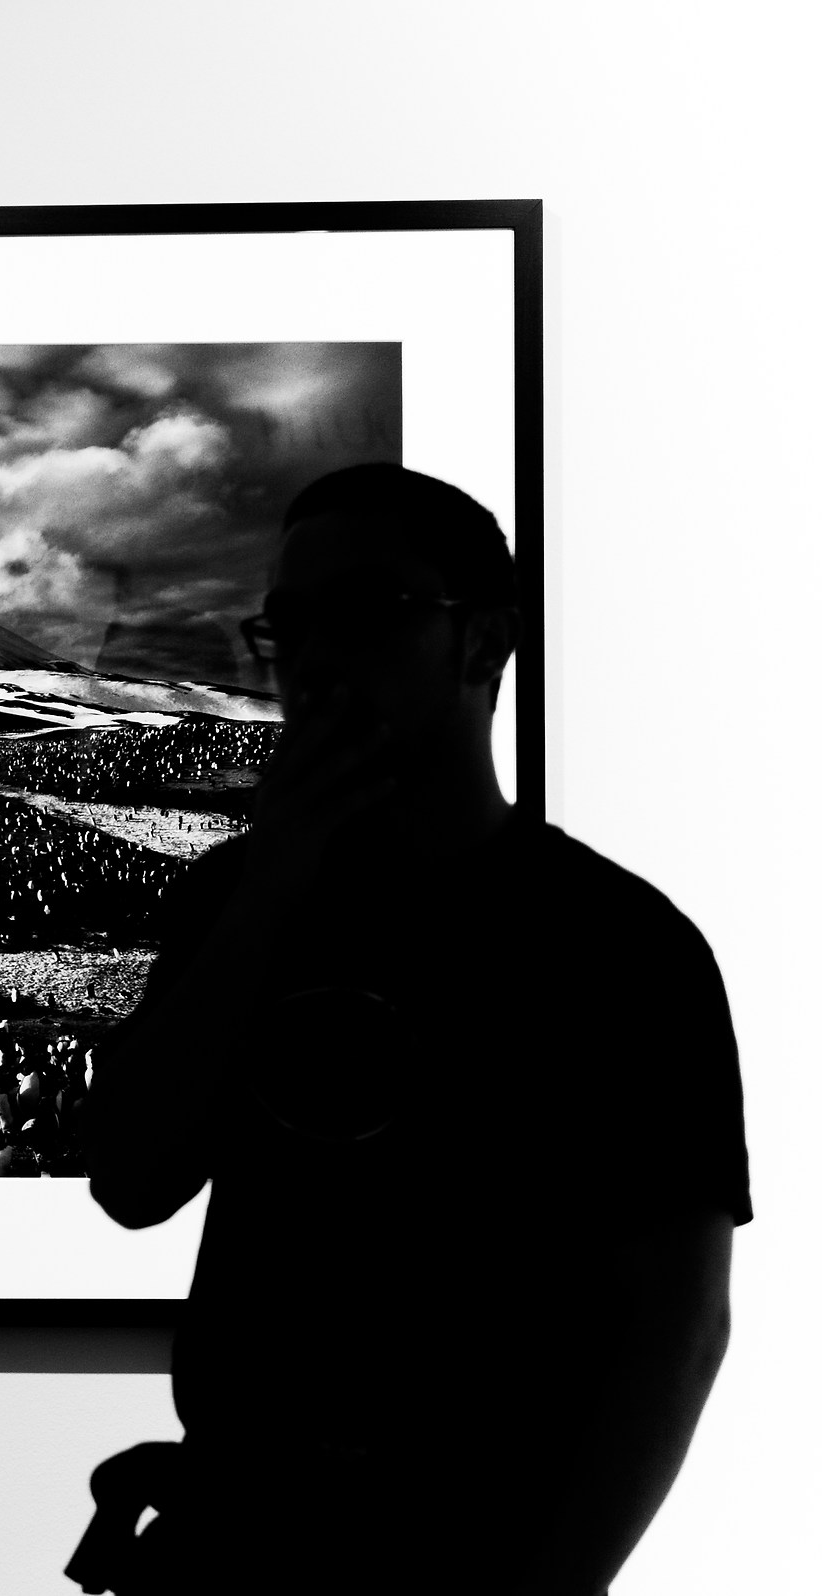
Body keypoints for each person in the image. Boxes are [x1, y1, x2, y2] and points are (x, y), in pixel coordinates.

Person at [72, 465, 746, 1596]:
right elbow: (131, 1180)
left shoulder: (621, 945)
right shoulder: (229, 902)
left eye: (368, 613)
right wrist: (271, 892)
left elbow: (672, 1332)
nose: (317, 658)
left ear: (485, 644)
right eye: (289, 626)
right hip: (233, 1539)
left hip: (471, 1548)